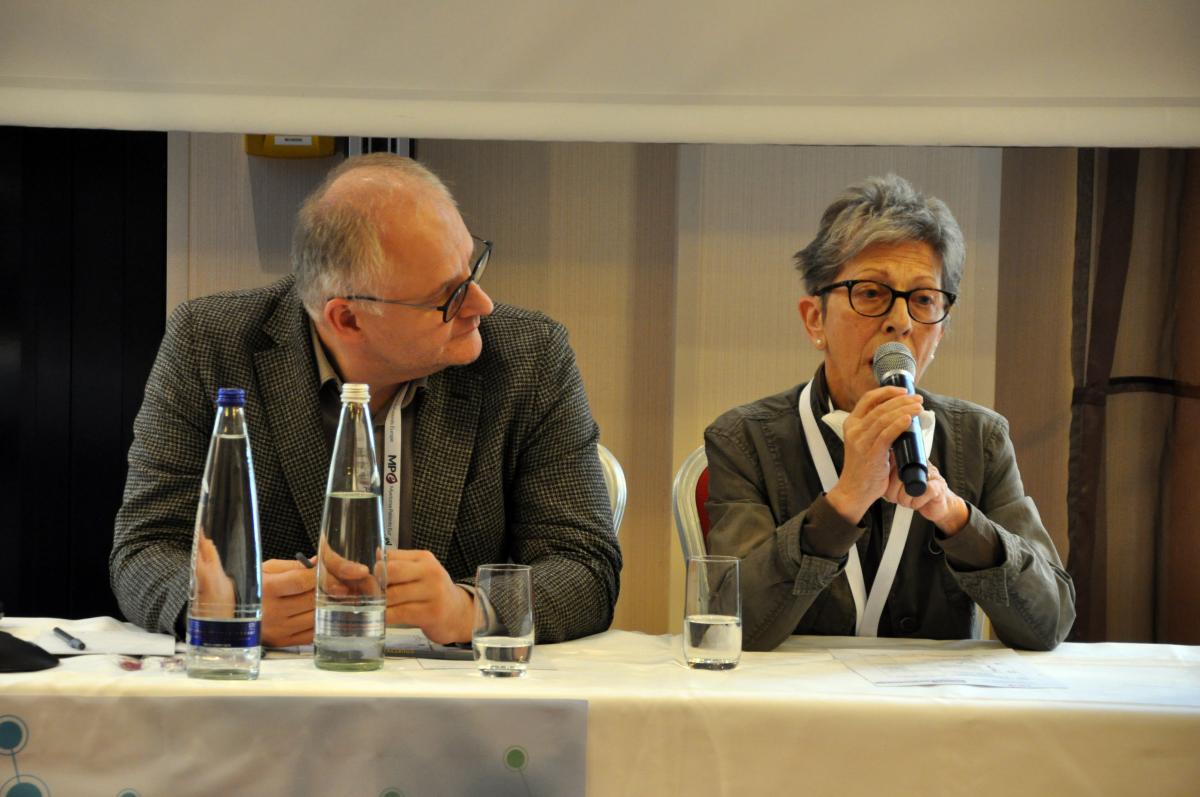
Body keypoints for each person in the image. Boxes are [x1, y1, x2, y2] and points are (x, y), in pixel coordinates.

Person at [112, 153, 621, 646]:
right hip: (281, 688)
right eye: (447, 296)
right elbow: (146, 549)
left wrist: (470, 609)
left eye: (473, 269)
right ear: (348, 319)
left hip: (462, 690)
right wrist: (225, 605)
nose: (481, 304)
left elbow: (584, 564)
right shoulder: (211, 345)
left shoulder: (530, 356)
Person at [704, 174, 1075, 651]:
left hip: (934, 698)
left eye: (923, 300)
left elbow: (1049, 624)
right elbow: (728, 625)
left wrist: (957, 518)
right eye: (871, 293)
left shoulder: (980, 438)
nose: (900, 321)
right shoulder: (744, 438)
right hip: (795, 696)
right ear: (815, 319)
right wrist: (843, 502)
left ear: (940, 331)